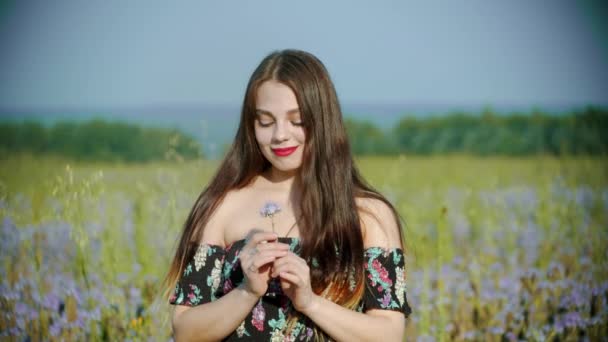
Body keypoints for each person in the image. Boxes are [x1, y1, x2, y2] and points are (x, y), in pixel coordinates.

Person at [163, 49, 412, 341]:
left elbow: (389, 334)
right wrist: (247, 291)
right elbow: (185, 331)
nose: (280, 135)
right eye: (266, 122)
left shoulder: (369, 214)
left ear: (323, 120)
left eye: (297, 121)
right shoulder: (222, 205)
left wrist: (309, 302)